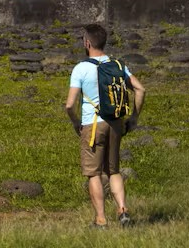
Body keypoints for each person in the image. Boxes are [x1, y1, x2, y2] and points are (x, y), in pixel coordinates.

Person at [65, 23, 147, 229]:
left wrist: (76, 123)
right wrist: (134, 118)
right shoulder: (118, 65)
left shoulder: (81, 68)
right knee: (114, 171)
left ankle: (100, 220)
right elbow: (140, 89)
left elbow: (69, 104)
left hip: (92, 125)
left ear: (86, 42)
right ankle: (122, 210)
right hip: (116, 123)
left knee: (94, 173)